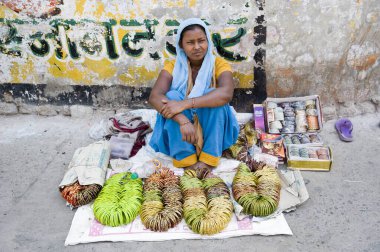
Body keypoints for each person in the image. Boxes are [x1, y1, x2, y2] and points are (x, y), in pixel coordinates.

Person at [148, 18, 239, 175]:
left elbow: (226, 93)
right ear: (181, 45)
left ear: (208, 41)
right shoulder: (172, 66)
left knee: (213, 96)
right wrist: (182, 120)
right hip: (182, 129)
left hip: (211, 127)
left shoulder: (219, 64)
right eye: (190, 42)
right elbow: (155, 97)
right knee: (172, 96)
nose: (197, 47)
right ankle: (186, 158)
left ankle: (208, 159)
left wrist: (186, 104)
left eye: (201, 41)